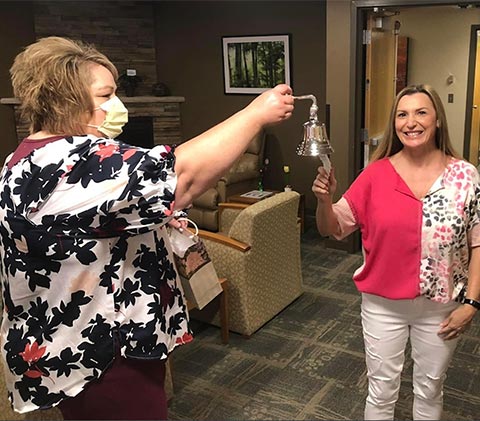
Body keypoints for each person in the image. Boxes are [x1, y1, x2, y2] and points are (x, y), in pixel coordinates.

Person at [0, 36, 294, 419]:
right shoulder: (67, 166)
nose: (116, 105)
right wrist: (255, 113)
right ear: (65, 100)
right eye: (105, 95)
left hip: (81, 341)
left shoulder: (25, 158)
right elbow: (181, 179)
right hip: (102, 353)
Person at [312, 84, 479, 420]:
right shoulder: (375, 174)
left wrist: (472, 305)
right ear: (394, 123)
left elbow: (479, 244)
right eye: (402, 114)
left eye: (421, 112)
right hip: (382, 306)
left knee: (430, 388)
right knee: (381, 390)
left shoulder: (465, 176)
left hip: (441, 306)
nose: (410, 122)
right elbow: (332, 227)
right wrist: (323, 201)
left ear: (437, 122)